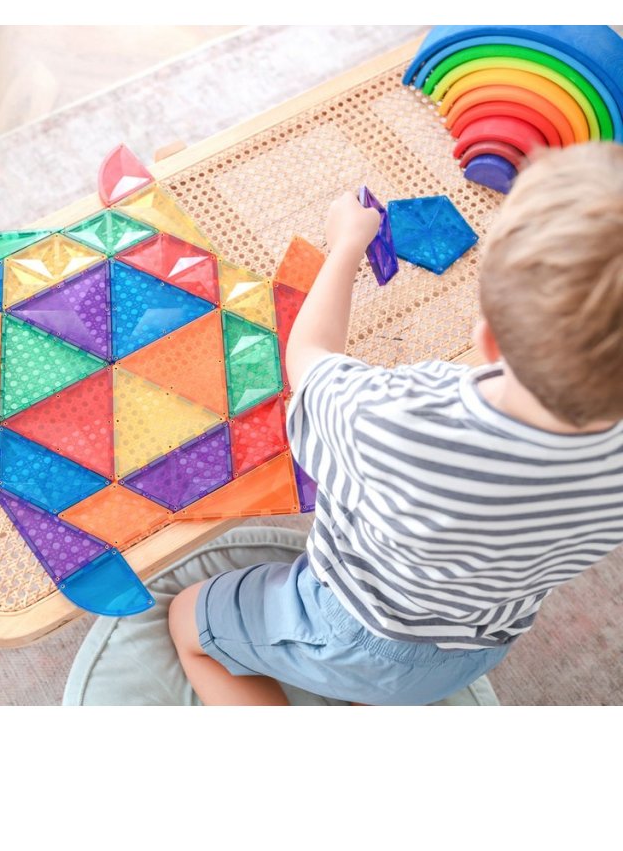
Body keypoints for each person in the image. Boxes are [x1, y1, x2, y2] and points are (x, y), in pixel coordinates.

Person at [168, 142, 623, 705]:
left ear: (488, 341)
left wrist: (345, 247)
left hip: (354, 636)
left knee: (188, 621)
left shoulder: (406, 418)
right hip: (479, 642)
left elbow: (309, 358)